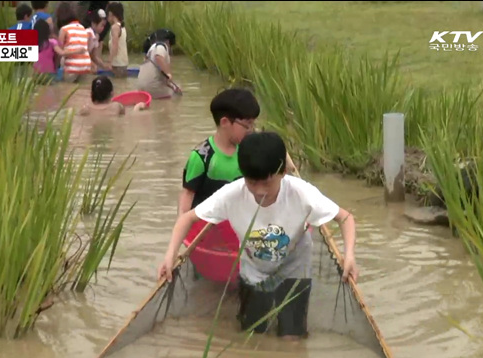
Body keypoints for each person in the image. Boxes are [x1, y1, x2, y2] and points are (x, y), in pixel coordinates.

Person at [158, 131, 359, 340]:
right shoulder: (232, 195)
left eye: (267, 183)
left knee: (292, 338)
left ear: (282, 173)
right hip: (253, 269)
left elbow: (345, 218)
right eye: (252, 183)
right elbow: (187, 219)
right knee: (253, 335)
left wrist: (349, 255)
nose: (260, 191)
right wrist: (170, 254)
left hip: (294, 267)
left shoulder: (302, 193)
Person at [178, 88, 260, 216]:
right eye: (247, 125)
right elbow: (187, 196)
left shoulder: (250, 151)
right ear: (225, 122)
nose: (251, 130)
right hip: (207, 226)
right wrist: (182, 230)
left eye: (253, 124)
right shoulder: (202, 157)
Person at [56, 2, 92, 83]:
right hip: (85, 65)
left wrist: (56, 67)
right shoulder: (82, 27)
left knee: (66, 89)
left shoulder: (64, 29)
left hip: (72, 67)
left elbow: (59, 52)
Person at [137, 29, 178, 99]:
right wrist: (168, 74)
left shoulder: (152, 48)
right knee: (176, 96)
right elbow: (158, 57)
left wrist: (171, 84)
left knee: (174, 87)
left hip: (141, 87)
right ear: (168, 42)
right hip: (152, 87)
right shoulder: (161, 46)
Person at [78, 76, 146, 116]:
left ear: (91, 94)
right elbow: (130, 117)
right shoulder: (116, 107)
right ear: (112, 93)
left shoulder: (85, 109)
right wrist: (137, 107)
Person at [105, 2, 128, 77]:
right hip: (123, 63)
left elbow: (115, 46)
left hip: (117, 64)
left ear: (111, 14)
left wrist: (109, 61)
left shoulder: (115, 27)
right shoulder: (122, 27)